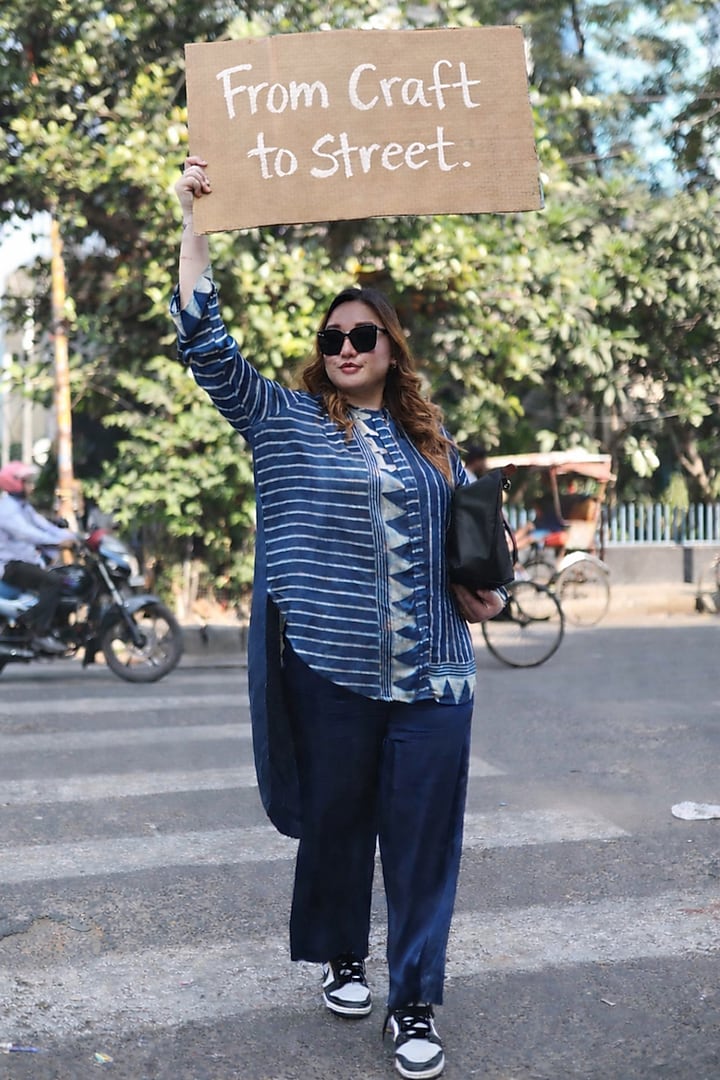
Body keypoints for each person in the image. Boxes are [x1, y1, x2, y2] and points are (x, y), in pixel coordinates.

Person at [172, 156, 506, 1080]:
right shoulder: (283, 420)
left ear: (392, 349)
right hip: (331, 669)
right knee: (339, 825)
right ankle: (341, 955)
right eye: (333, 336)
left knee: (424, 844)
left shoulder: (438, 445)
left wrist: (491, 591)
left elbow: (482, 550)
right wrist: (194, 222)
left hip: (437, 677)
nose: (346, 347)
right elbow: (206, 343)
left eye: (363, 335)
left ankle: (415, 1002)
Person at [0, 461, 77, 653]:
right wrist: (59, 542)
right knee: (53, 581)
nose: (31, 486)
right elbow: (28, 533)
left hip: (25, 562)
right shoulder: (7, 510)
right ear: (14, 483)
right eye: (27, 482)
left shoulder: (23, 507)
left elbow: (44, 526)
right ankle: (40, 633)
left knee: (65, 578)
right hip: (10, 566)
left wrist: (76, 537)